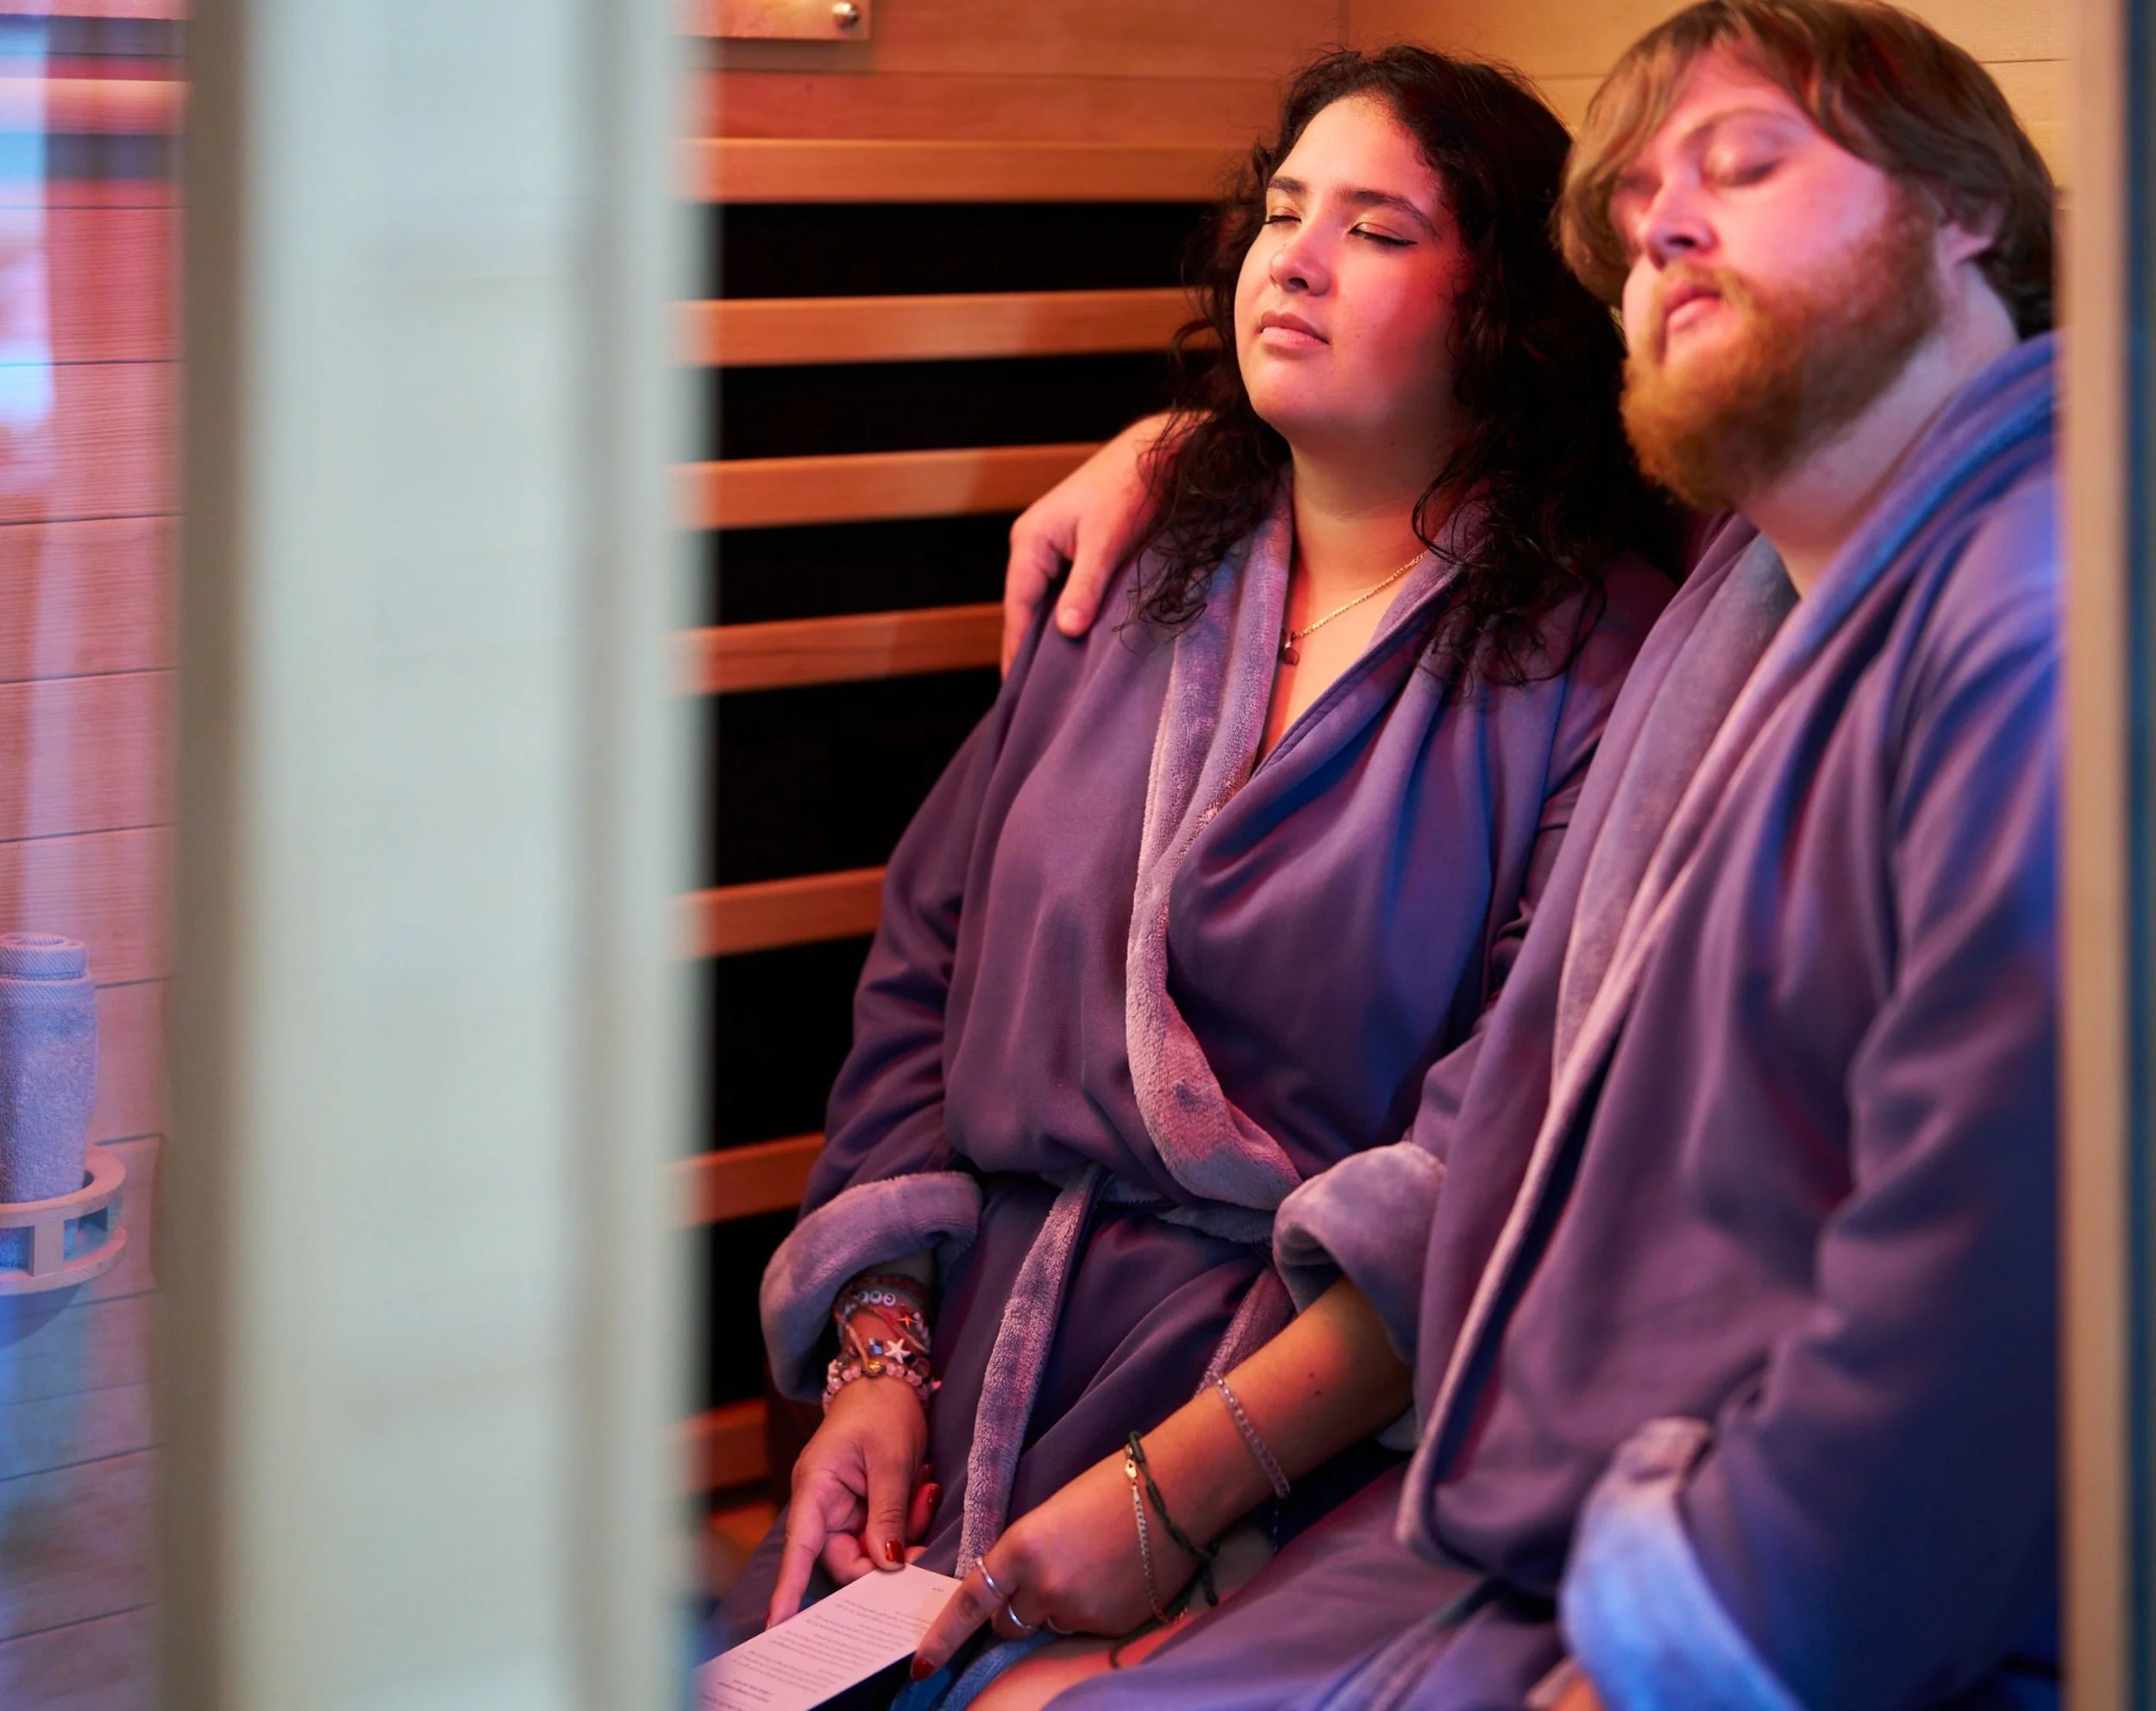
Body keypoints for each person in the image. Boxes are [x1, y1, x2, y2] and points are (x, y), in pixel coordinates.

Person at [931, 2, 2061, 1707]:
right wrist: (1187, 448)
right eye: (1630, 207)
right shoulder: (1757, 586)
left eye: (1740, 164)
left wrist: (1689, 1633)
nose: (1662, 220)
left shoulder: (2029, 608)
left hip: (1714, 1574)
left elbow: (1994, 1248)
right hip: (1513, 1497)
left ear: (1966, 213)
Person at [715, 44, 1680, 1677]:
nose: (1293, 258)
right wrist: (879, 1364)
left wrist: (1171, 1498)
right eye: (1284, 211)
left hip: (1326, 1425)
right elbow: (921, 976)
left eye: (1379, 230)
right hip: (976, 1372)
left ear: (1504, 305)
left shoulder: (1603, 666)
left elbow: (1501, 1154)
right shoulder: (1144, 568)